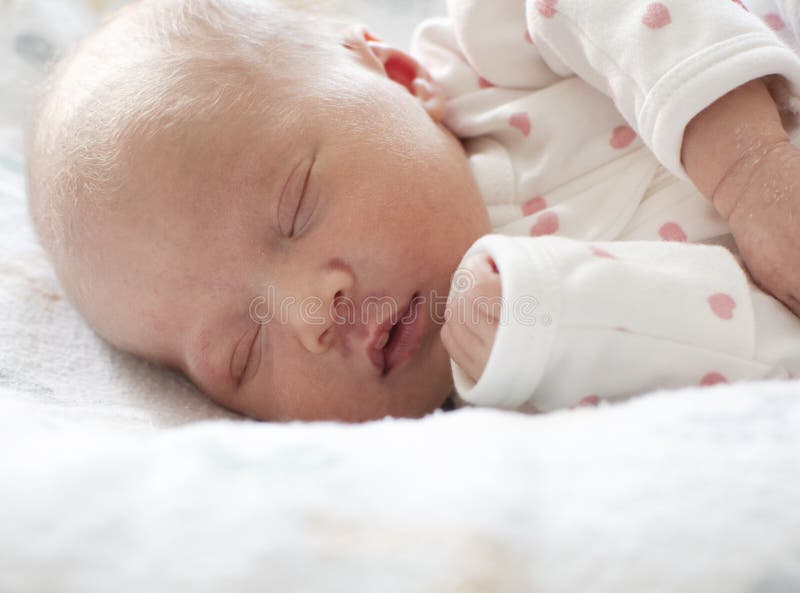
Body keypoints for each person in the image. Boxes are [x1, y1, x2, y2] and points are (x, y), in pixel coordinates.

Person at [24, 0, 800, 422]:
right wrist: (542, 319)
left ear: (396, 75)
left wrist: (754, 170)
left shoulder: (497, 59)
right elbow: (770, 357)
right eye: (243, 354)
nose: (309, 315)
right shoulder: (509, 412)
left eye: (295, 207)